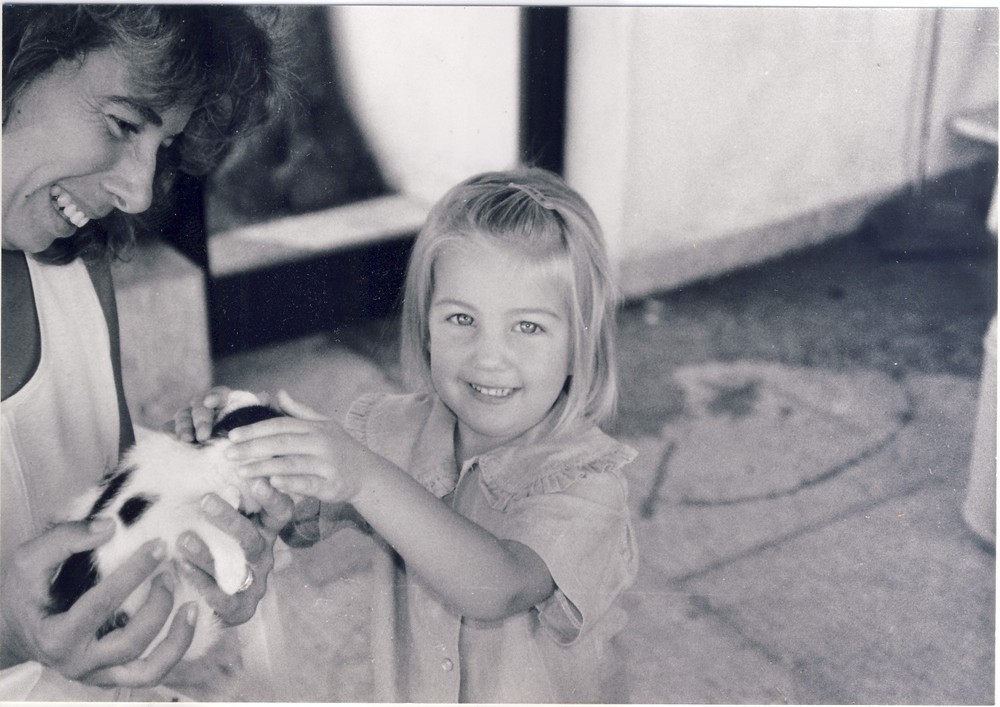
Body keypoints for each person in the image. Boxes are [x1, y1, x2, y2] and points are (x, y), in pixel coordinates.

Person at [205, 167, 640, 702]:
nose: (489, 356)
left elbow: (498, 587)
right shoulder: (390, 430)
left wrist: (363, 476)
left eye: (528, 326)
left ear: (580, 345)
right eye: (461, 319)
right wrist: (250, 444)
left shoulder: (587, 482)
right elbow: (303, 515)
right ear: (426, 326)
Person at [1, 6, 295, 699]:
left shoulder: (70, 271)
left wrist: (212, 528)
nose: (137, 189)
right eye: (123, 123)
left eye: (162, 146)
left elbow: (121, 512)